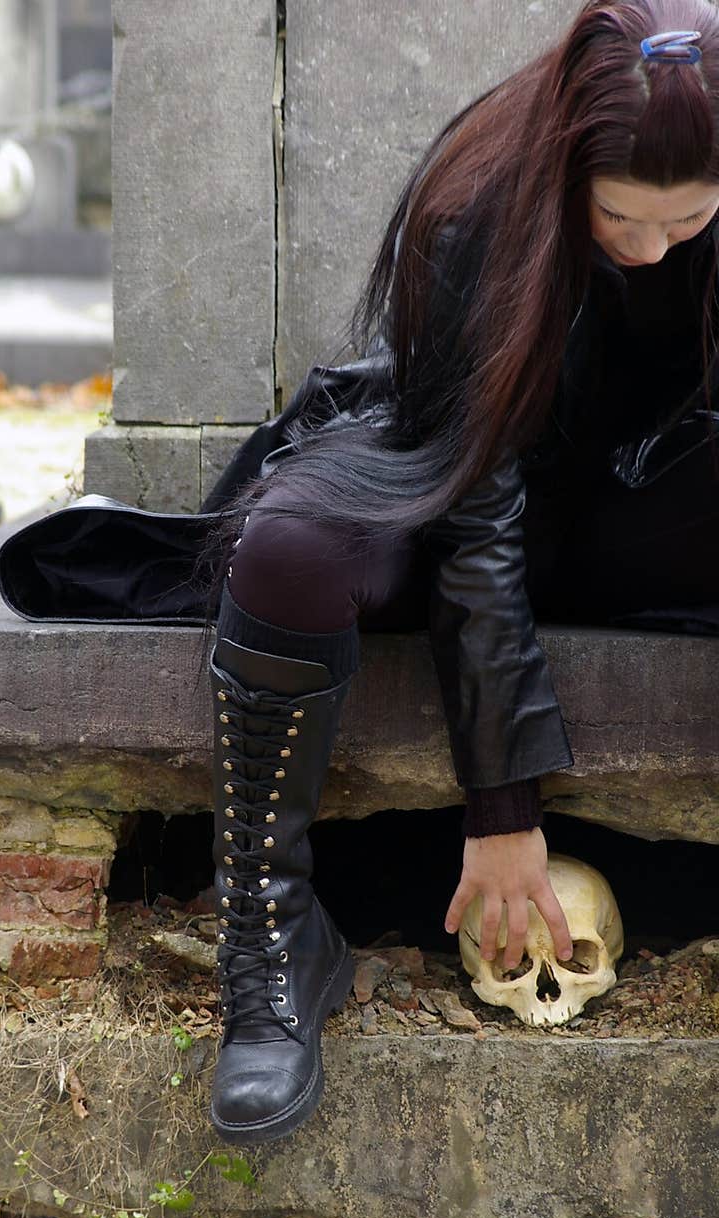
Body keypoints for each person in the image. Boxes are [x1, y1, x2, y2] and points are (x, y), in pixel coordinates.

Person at [195, 0, 719, 1146]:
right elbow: (479, 524)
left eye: (686, 222)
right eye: (620, 216)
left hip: (659, 511)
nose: (647, 248)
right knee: (284, 546)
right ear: (571, 163)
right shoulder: (481, 197)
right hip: (458, 488)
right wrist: (500, 807)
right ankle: (271, 938)